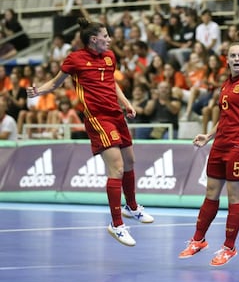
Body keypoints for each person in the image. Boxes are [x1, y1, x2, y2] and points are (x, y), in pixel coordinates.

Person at [26, 17, 154, 247]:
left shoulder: (110, 57)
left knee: (130, 162)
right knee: (116, 168)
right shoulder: (75, 59)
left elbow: (112, 83)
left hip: (116, 114)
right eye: (106, 36)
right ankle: (116, 225)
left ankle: (132, 207)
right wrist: (38, 91)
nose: (110, 40)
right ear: (94, 40)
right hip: (97, 118)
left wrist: (126, 103)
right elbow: (55, 83)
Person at [178, 15, 239, 266]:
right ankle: (198, 240)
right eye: (233, 56)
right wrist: (209, 135)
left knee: (233, 198)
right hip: (219, 145)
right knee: (210, 193)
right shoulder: (226, 85)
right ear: (228, 59)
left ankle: (229, 247)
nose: (237, 59)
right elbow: (226, 116)